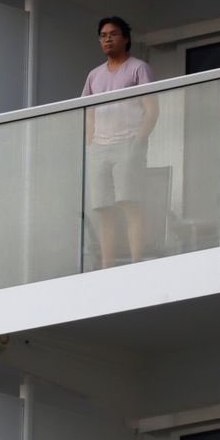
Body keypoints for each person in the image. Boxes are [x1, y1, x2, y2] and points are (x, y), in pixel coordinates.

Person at [81, 16, 159, 269]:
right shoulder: (94, 75)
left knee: (129, 203)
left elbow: (151, 108)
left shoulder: (138, 68)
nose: (107, 39)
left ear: (125, 38)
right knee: (103, 208)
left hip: (128, 144)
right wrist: (90, 141)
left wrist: (139, 141)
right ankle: (107, 265)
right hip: (100, 148)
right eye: (103, 35)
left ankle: (137, 261)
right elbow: (87, 111)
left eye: (113, 34)